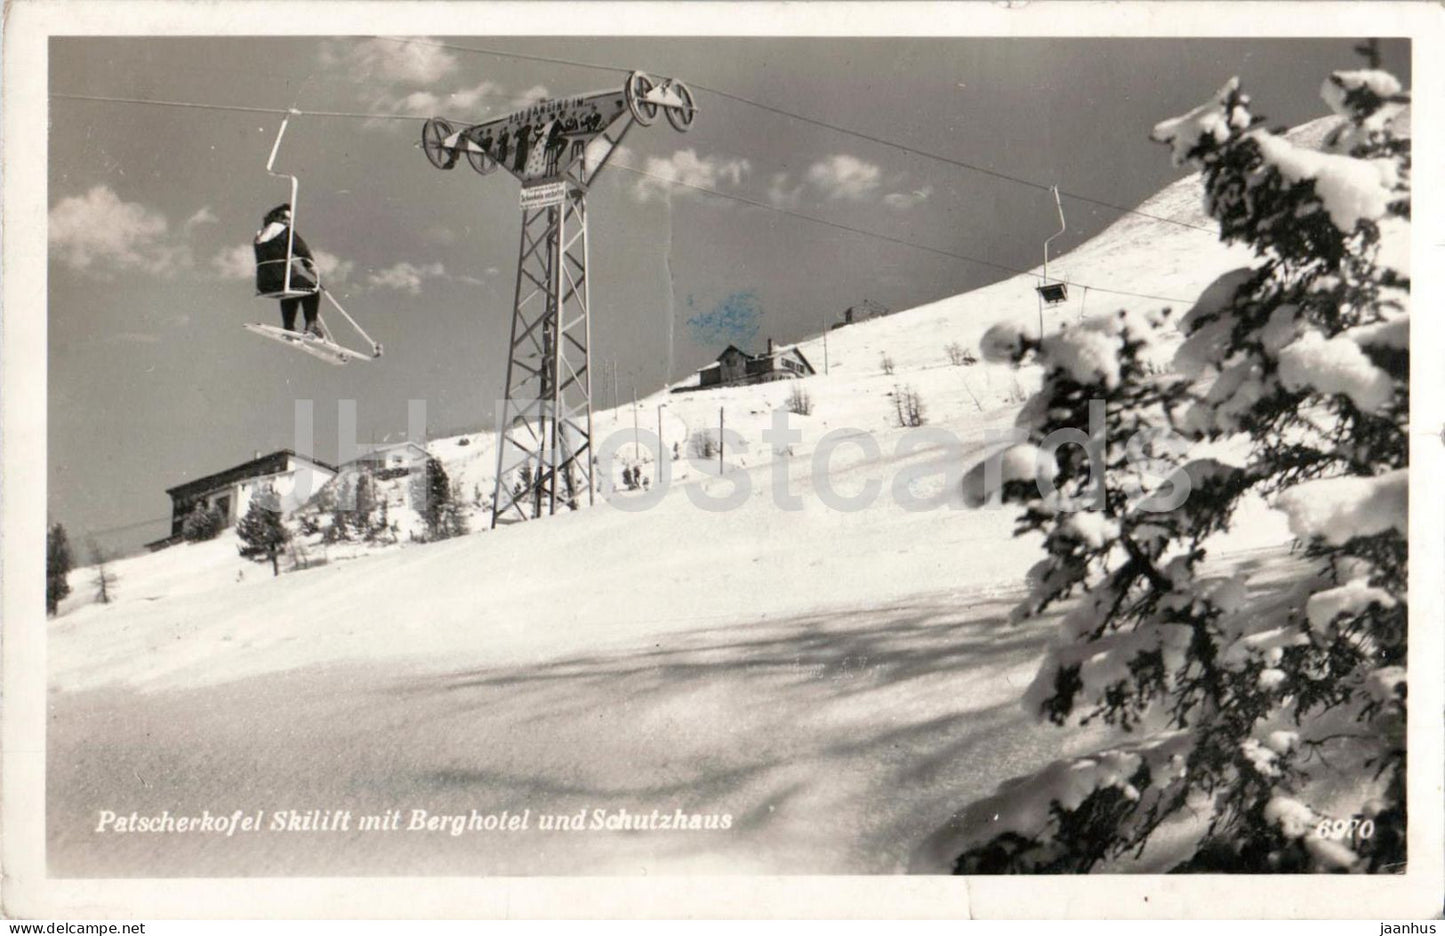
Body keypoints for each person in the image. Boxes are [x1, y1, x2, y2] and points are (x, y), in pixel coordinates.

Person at [253, 203, 323, 338]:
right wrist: (313, 271)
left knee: (292, 290)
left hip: (265, 284)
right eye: (285, 217)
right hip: (282, 277)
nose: (287, 221)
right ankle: (311, 326)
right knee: (311, 290)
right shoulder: (285, 232)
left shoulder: (260, 235)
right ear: (277, 217)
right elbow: (303, 252)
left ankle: (288, 327)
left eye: (289, 219)